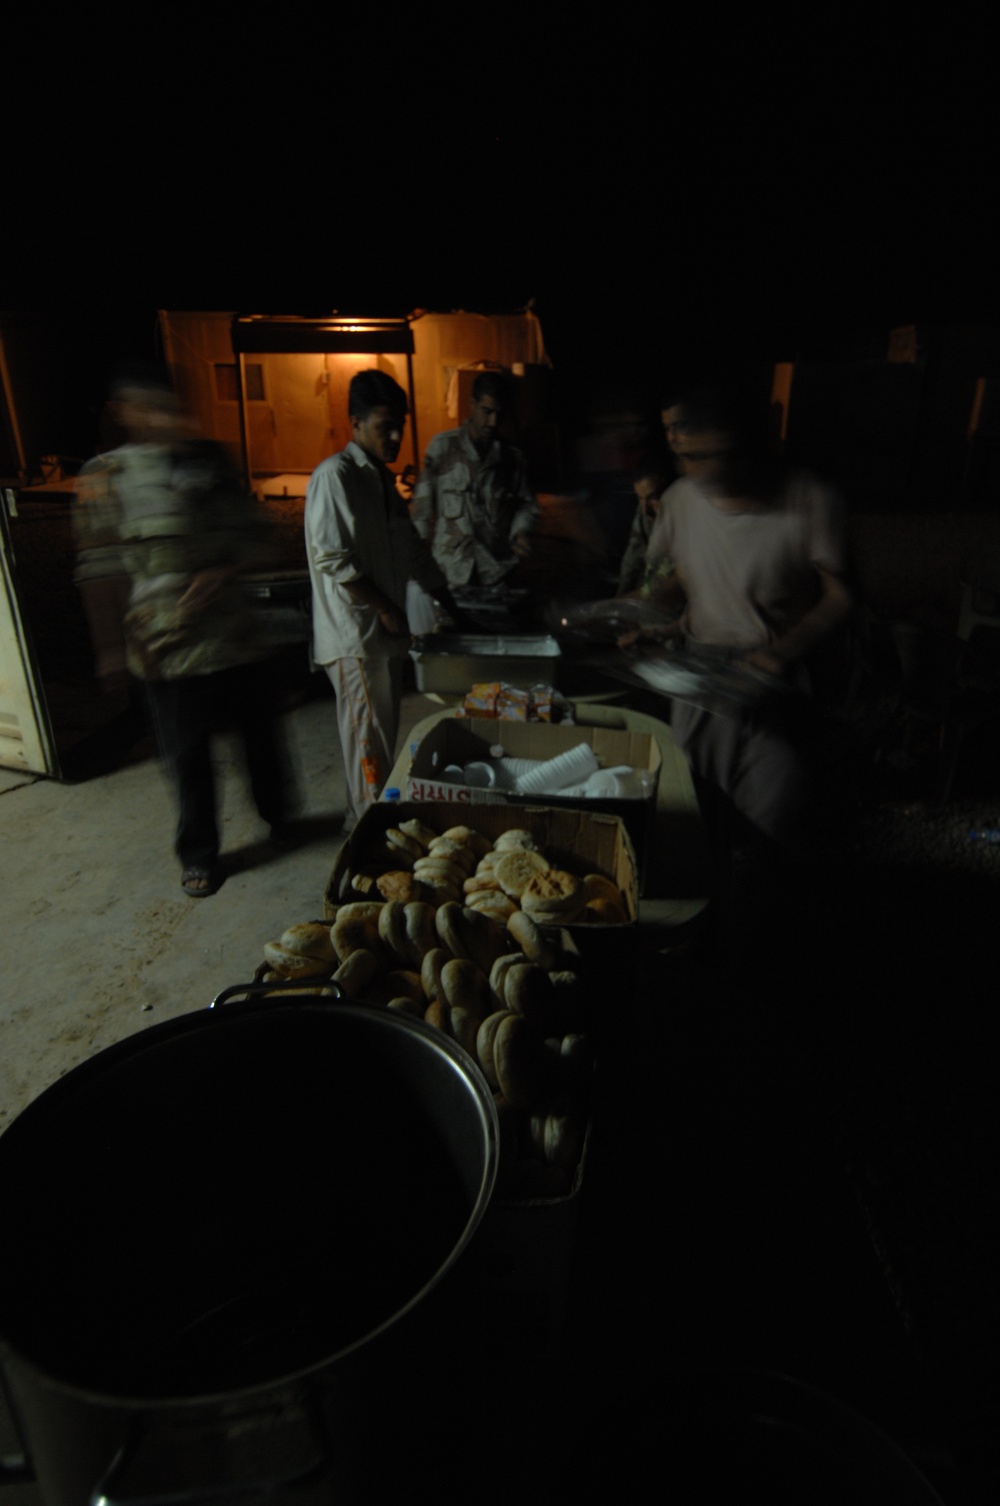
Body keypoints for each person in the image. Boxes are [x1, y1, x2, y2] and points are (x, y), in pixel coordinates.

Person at [73, 366, 295, 897]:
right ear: (125, 412)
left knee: (263, 740)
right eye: (149, 406)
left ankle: (281, 818)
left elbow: (258, 538)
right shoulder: (106, 476)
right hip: (167, 647)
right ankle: (200, 854)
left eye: (169, 405)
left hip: (237, 636)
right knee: (187, 758)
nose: (166, 417)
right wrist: (107, 648)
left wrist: (226, 570)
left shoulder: (213, 462)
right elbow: (98, 571)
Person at [634, 388, 852, 852]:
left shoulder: (810, 498)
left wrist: (780, 652)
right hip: (700, 679)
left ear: (750, 444)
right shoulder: (680, 500)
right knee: (695, 821)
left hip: (780, 687)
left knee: (768, 831)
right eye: (691, 458)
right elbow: (679, 582)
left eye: (719, 454)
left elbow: (842, 595)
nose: (705, 470)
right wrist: (635, 612)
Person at [304, 370, 460, 832]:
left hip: (382, 639)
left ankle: (365, 824)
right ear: (355, 422)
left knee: (377, 746)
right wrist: (387, 608)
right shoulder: (336, 476)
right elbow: (331, 555)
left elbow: (412, 550)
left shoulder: (382, 482)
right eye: (384, 425)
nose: (396, 436)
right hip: (355, 639)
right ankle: (371, 842)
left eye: (401, 425)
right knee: (369, 751)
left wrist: (452, 605)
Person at [411, 370, 540, 592]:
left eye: (499, 414)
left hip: (496, 573)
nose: (493, 422)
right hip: (450, 571)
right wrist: (422, 565)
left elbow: (526, 504)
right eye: (487, 411)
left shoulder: (512, 458)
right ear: (472, 404)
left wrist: (522, 531)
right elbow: (422, 511)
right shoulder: (442, 449)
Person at [616, 459, 672, 595]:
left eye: (653, 498)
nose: (646, 509)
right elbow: (632, 559)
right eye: (640, 498)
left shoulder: (686, 522)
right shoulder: (644, 514)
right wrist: (618, 601)